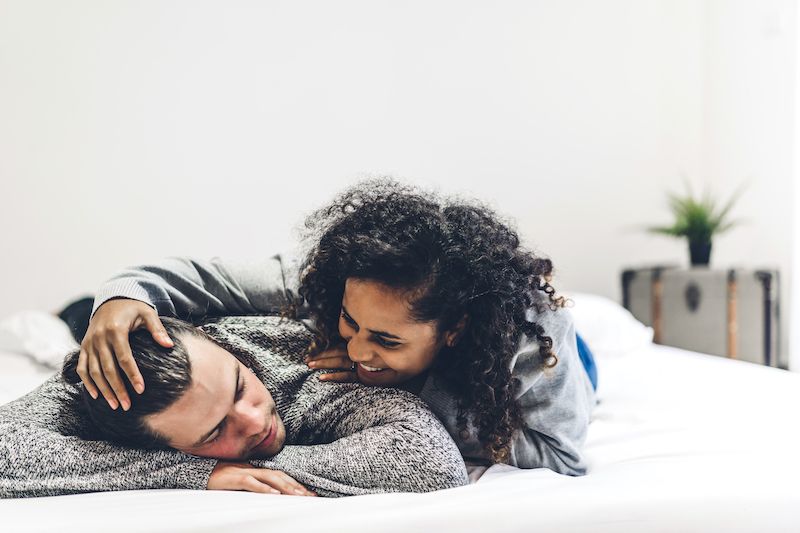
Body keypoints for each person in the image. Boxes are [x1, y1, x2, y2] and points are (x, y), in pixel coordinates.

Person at [79, 178, 597, 475]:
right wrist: (121, 296)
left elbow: (561, 455)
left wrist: (413, 387)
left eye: (386, 339)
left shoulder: (531, 343)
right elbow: (207, 278)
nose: (356, 347)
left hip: (552, 370)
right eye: (351, 322)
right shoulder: (326, 277)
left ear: (453, 330)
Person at [0, 315, 469, 498]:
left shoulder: (296, 357)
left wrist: (232, 456)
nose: (254, 420)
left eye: (240, 387)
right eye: (212, 433)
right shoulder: (88, 397)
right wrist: (192, 472)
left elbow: (428, 461)